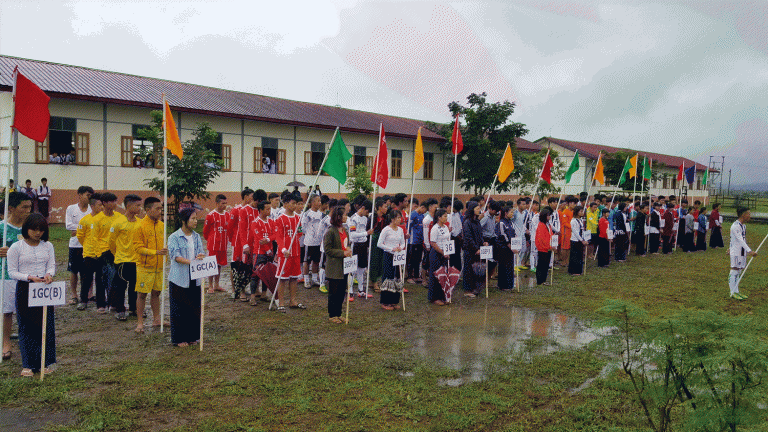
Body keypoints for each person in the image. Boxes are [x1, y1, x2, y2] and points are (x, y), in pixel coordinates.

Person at [7, 214, 56, 377]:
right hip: (25, 288)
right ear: (26, 229)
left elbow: (51, 265)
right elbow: (12, 271)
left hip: (44, 288)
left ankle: (44, 362)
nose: (37, 233)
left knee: (45, 325)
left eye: (41, 230)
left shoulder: (48, 246)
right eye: (34, 229)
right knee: (26, 326)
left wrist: (48, 275)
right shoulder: (16, 247)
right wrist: (29, 277)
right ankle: (27, 364)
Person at [0, 192, 33, 360]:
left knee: (27, 310)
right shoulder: (2, 228)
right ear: (11, 209)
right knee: (7, 311)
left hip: (28, 275)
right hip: (7, 275)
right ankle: (5, 341)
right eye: (24, 207)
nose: (28, 210)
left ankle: (28, 340)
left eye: (29, 207)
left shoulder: (31, 227)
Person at [167, 207, 206, 347]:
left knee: (193, 307)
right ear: (184, 221)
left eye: (196, 218)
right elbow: (176, 256)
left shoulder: (196, 236)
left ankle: (192, 336)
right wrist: (192, 262)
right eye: (193, 219)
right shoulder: (174, 237)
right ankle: (179, 338)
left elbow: (201, 251)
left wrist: (200, 257)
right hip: (179, 278)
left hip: (194, 276)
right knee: (179, 308)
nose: (196, 221)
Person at [132, 197, 168, 332]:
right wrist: (155, 252)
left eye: (161, 209)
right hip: (144, 267)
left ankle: (156, 319)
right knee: (142, 294)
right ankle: (140, 323)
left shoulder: (162, 226)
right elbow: (138, 248)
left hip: (159, 266)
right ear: (148, 210)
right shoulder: (139, 226)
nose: (160, 211)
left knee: (156, 293)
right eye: (157, 209)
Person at [108, 194, 142, 321]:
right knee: (120, 286)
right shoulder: (118, 223)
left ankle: (133, 308)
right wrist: (117, 255)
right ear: (128, 206)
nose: (140, 208)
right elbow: (111, 242)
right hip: (122, 260)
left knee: (135, 286)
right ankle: (120, 309)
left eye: (141, 205)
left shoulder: (140, 223)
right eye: (137, 205)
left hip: (137, 260)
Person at [274, 192, 305, 312]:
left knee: (294, 278)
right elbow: (278, 236)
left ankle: (293, 300)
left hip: (296, 253)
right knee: (282, 278)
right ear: (285, 204)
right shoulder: (280, 219)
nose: (295, 206)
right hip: (285, 254)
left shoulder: (298, 218)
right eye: (293, 203)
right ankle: (281, 302)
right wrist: (283, 249)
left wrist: (297, 235)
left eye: (296, 203)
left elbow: (300, 232)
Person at [65, 186, 94, 305]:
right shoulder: (71, 208)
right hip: (75, 245)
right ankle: (74, 294)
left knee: (88, 270)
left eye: (91, 196)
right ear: (80, 195)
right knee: (74, 271)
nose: (89, 198)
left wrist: (78, 230)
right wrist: (84, 229)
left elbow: (94, 226)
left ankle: (89, 294)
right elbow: (68, 225)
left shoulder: (92, 210)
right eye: (87, 195)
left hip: (89, 245)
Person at [323, 206, 352, 323]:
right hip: (334, 267)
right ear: (338, 217)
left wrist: (348, 250)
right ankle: (332, 315)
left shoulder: (345, 230)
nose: (346, 217)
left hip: (344, 266)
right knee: (333, 292)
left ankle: (339, 313)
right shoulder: (330, 232)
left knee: (341, 291)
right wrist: (343, 253)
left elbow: (346, 244)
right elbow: (328, 250)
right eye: (344, 215)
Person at [75, 194, 104, 310]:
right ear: (92, 206)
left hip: (102, 254)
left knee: (101, 280)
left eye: (102, 205)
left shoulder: (105, 219)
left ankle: (101, 303)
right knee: (86, 279)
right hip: (89, 254)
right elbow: (80, 236)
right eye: (99, 205)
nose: (102, 207)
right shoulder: (85, 220)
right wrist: (88, 247)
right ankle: (83, 300)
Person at [377, 209, 405, 310]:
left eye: (400, 217)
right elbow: (379, 244)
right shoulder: (386, 230)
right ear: (392, 219)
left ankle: (394, 301)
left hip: (397, 256)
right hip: (388, 255)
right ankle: (385, 302)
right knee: (388, 278)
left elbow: (403, 243)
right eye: (397, 218)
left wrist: (400, 248)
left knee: (397, 277)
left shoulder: (400, 230)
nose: (399, 219)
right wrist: (391, 248)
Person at [203, 194, 230, 293]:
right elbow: (205, 232)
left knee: (219, 265)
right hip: (213, 245)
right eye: (223, 203)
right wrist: (211, 240)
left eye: (226, 203)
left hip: (223, 245)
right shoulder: (210, 215)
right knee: (211, 264)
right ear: (217, 203)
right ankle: (210, 285)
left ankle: (217, 284)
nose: (225, 205)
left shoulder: (227, 215)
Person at [728, 208, 757, 300]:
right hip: (736, 252)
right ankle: (732, 292)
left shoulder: (743, 226)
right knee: (734, 270)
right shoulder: (735, 226)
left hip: (741, 252)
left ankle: (736, 291)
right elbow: (739, 240)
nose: (750, 216)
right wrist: (750, 251)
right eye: (748, 214)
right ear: (743, 215)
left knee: (739, 270)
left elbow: (739, 239)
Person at [348, 200, 373, 298]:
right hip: (355, 245)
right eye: (367, 211)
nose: (367, 214)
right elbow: (352, 235)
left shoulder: (365, 219)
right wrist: (366, 233)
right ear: (362, 208)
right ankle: (350, 291)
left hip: (363, 245)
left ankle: (360, 290)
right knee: (352, 269)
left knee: (362, 269)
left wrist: (366, 236)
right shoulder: (353, 219)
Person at [462, 201, 485, 298]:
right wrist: (475, 248)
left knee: (476, 269)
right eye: (476, 208)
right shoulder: (467, 222)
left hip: (477, 249)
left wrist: (483, 242)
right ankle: (468, 289)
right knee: (468, 269)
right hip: (470, 249)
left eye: (479, 208)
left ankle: (475, 287)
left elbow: (479, 234)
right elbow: (468, 237)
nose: (478, 210)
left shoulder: (477, 221)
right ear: (472, 210)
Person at [428, 209, 450, 305]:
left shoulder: (446, 227)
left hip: (445, 254)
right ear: (439, 217)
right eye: (444, 216)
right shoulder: (435, 228)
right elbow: (433, 243)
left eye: (446, 216)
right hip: (436, 254)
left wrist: (448, 251)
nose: (446, 218)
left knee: (444, 276)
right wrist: (442, 252)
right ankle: (434, 297)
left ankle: (443, 296)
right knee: (436, 276)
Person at [301, 195, 324, 288]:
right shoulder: (307, 214)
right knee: (307, 261)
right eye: (318, 201)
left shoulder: (321, 214)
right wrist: (310, 235)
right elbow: (303, 227)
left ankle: (314, 279)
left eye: (320, 201)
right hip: (309, 242)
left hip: (318, 242)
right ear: (312, 202)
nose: (320, 203)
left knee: (316, 261)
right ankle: (306, 280)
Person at [495, 205, 517, 291]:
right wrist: (510, 246)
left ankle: (509, 285)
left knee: (510, 266)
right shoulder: (501, 223)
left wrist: (515, 245)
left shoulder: (510, 222)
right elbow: (503, 236)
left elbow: (514, 233)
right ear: (506, 213)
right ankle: (502, 285)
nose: (512, 214)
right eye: (511, 212)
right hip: (503, 248)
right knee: (504, 266)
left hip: (510, 248)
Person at [407, 200, 425, 284]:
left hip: (420, 241)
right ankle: (409, 276)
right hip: (413, 241)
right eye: (425, 210)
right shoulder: (413, 214)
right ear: (422, 207)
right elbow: (408, 227)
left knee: (418, 259)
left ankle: (417, 276)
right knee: (411, 259)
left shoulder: (422, 216)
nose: (425, 212)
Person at [568, 206, 588, 275]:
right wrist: (581, 240)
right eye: (581, 211)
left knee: (579, 255)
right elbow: (575, 232)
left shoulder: (581, 220)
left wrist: (585, 238)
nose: (582, 213)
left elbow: (582, 230)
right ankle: (573, 271)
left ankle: (579, 270)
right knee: (575, 256)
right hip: (575, 240)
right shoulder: (573, 221)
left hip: (580, 240)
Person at [535, 208, 553, 285]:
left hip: (548, 248)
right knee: (541, 265)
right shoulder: (541, 225)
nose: (549, 217)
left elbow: (550, 235)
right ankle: (540, 280)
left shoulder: (548, 224)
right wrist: (548, 246)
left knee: (546, 265)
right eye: (548, 215)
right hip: (543, 248)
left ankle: (544, 280)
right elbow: (541, 238)